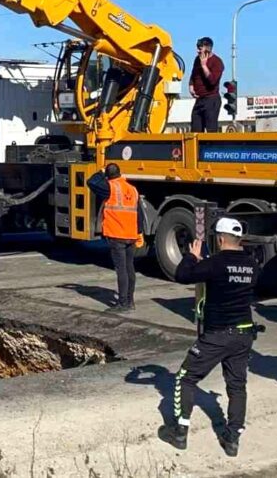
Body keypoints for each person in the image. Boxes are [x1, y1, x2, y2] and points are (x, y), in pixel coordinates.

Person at [157, 217, 258, 457]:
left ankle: (179, 432)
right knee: (237, 385)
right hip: (244, 333)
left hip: (217, 335)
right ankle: (232, 439)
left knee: (185, 378)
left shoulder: (215, 263)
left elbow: (182, 274)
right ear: (239, 239)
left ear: (221, 239)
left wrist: (192, 256)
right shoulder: (252, 264)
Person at [87, 163, 144, 312]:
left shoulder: (109, 187)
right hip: (131, 235)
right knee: (130, 268)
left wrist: (100, 172)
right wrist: (139, 233)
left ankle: (123, 303)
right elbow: (140, 214)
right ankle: (130, 301)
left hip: (117, 234)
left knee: (121, 270)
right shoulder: (132, 189)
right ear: (120, 173)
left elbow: (91, 181)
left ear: (108, 176)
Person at [188, 36, 224, 133]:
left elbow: (212, 81)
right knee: (195, 129)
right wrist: (191, 86)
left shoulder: (217, 62)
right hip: (199, 99)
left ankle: (211, 147)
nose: (198, 51)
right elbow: (193, 74)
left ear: (208, 48)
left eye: (200, 49)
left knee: (211, 130)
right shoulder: (197, 60)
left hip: (211, 99)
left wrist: (204, 65)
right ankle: (196, 147)